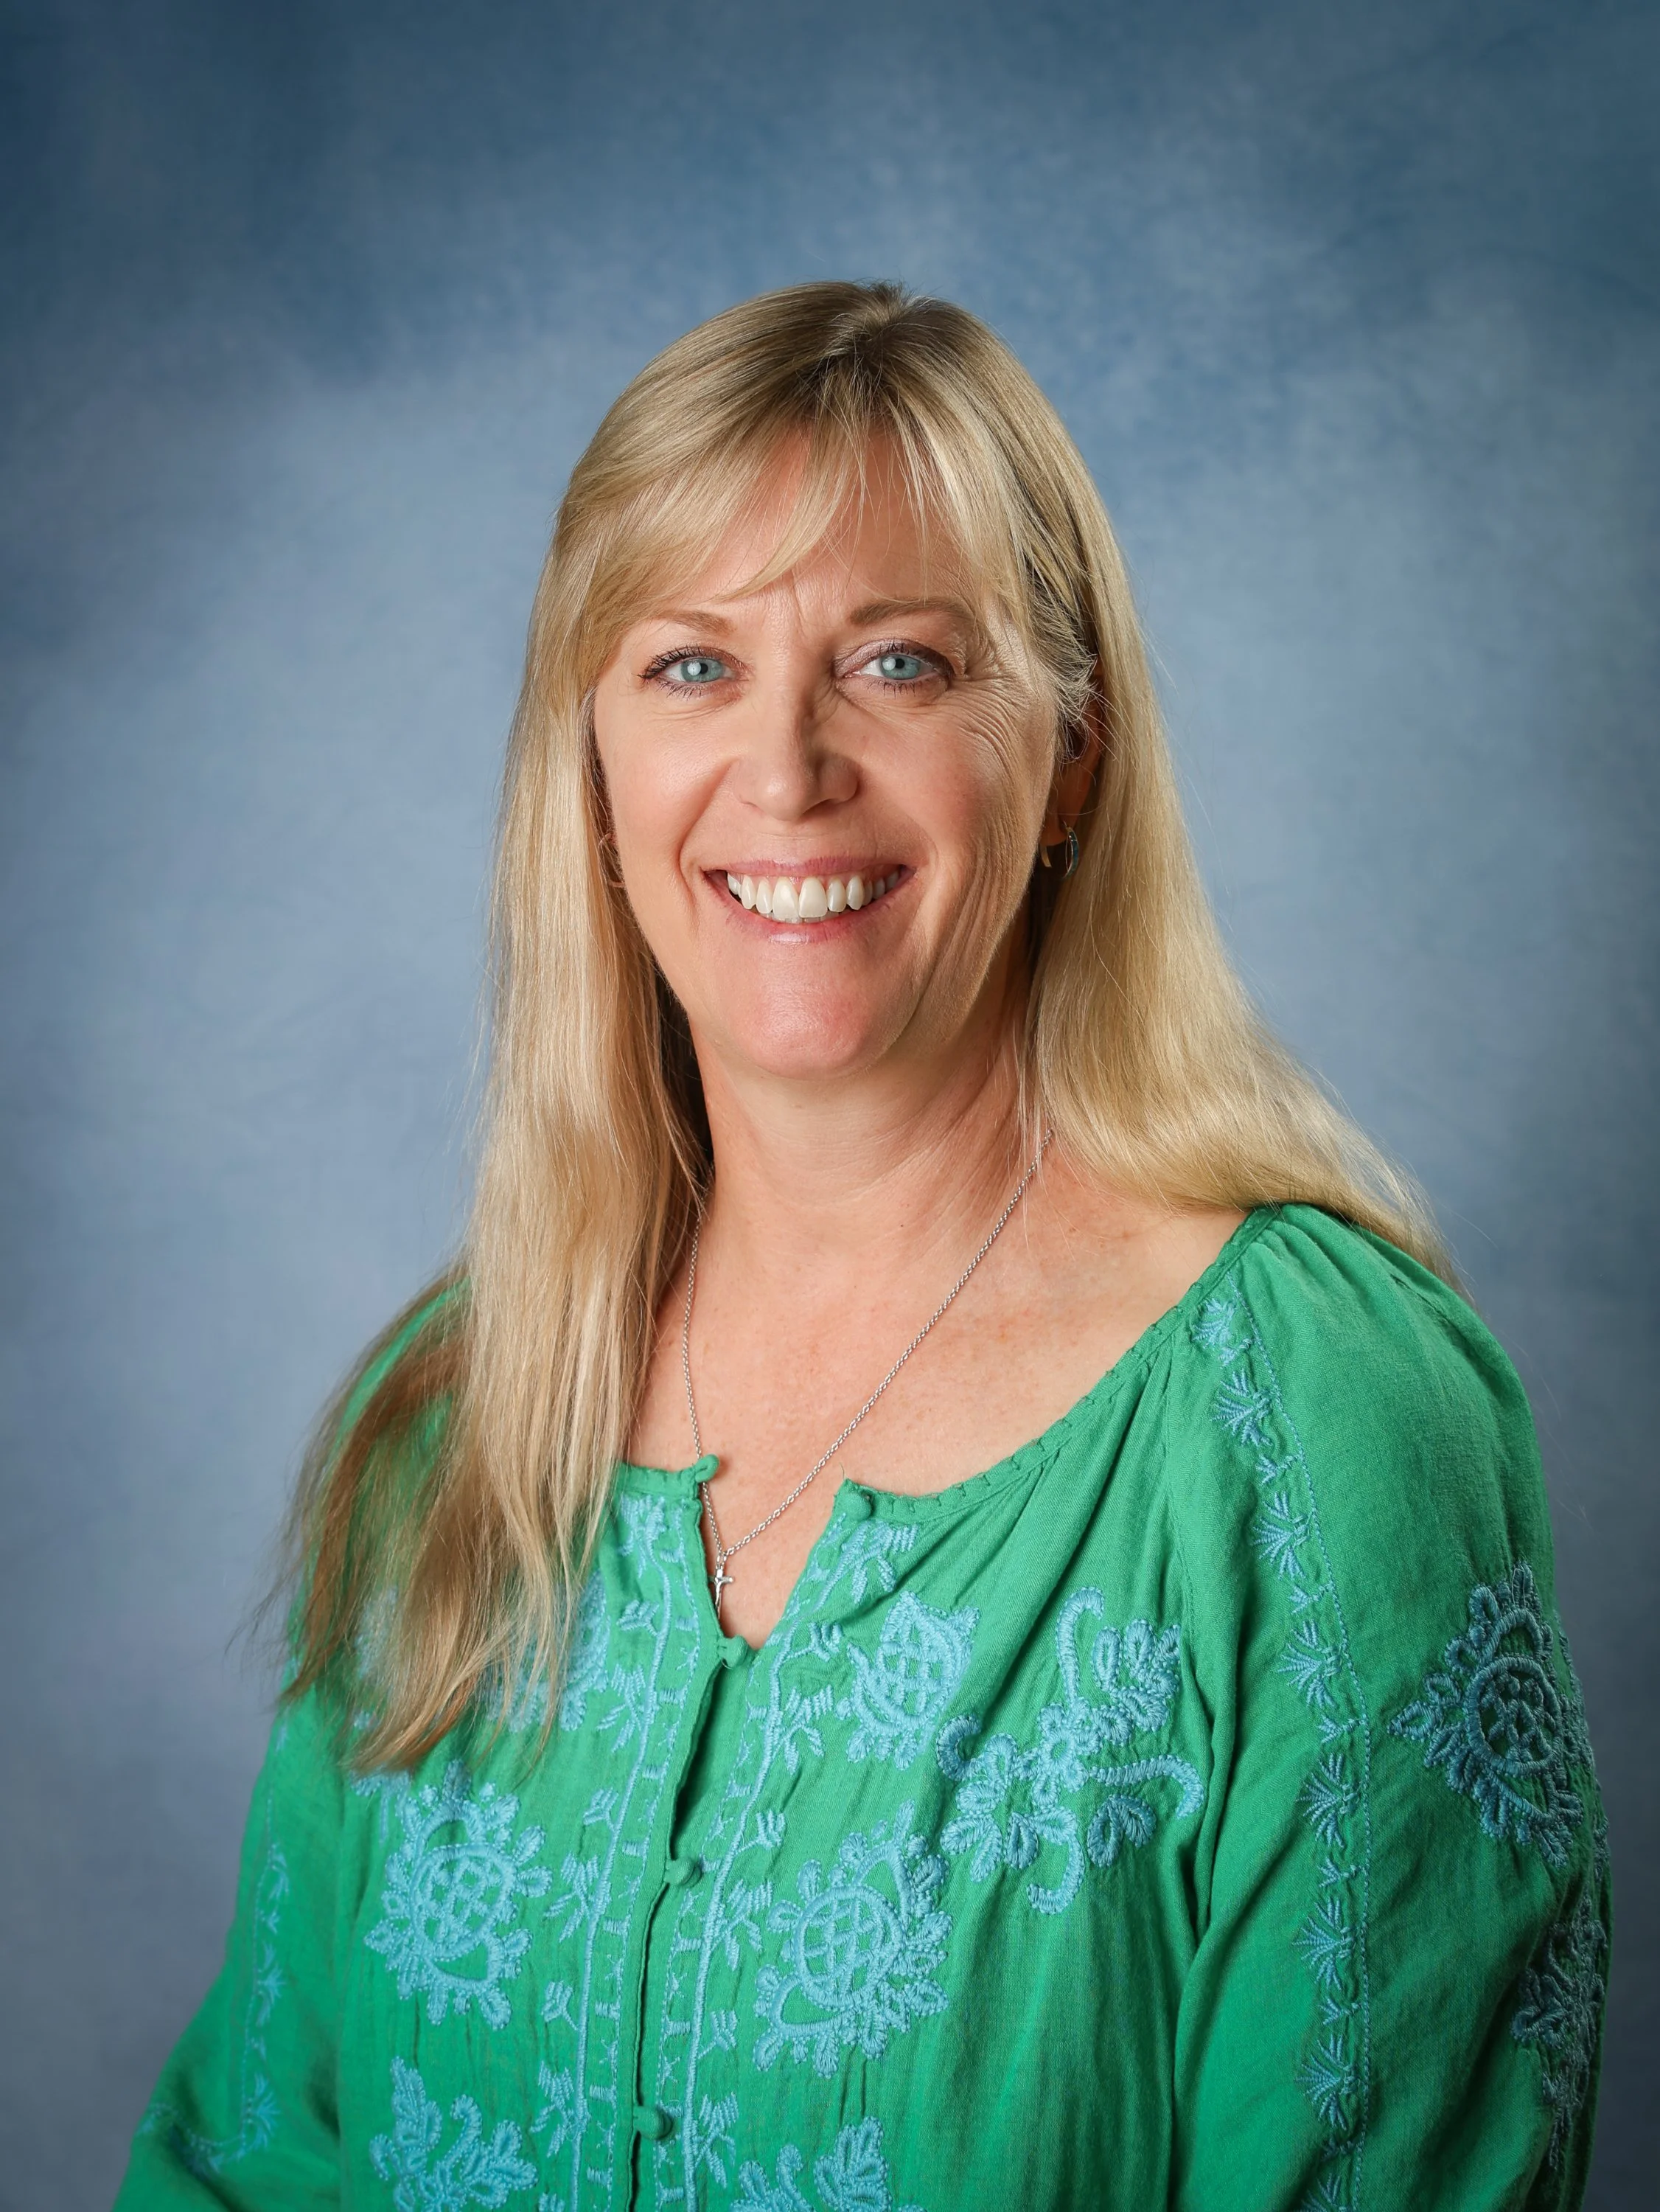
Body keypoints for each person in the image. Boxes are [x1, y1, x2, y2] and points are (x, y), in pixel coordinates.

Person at [114, 282, 1608, 2212]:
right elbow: (250, 2165)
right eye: (687, 668)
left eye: (898, 666)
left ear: (1069, 750)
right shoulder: (456, 1417)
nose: (788, 769)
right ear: (586, 761)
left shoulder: (1323, 1428)